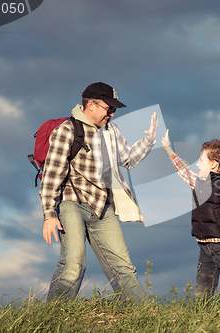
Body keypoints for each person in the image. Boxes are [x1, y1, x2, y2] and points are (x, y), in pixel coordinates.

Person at [40, 82, 158, 302]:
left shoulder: (111, 131)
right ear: (91, 105)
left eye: (114, 109)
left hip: (102, 208)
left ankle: (144, 315)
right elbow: (52, 175)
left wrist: (148, 141)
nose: (112, 113)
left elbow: (128, 159)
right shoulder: (67, 130)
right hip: (71, 203)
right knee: (74, 264)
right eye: (109, 108)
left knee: (124, 267)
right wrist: (49, 214)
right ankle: (53, 315)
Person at [161, 129, 220, 298]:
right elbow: (181, 168)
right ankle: (201, 319)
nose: (197, 165)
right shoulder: (196, 182)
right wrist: (168, 148)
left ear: (213, 164)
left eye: (200, 160)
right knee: (202, 292)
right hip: (204, 245)